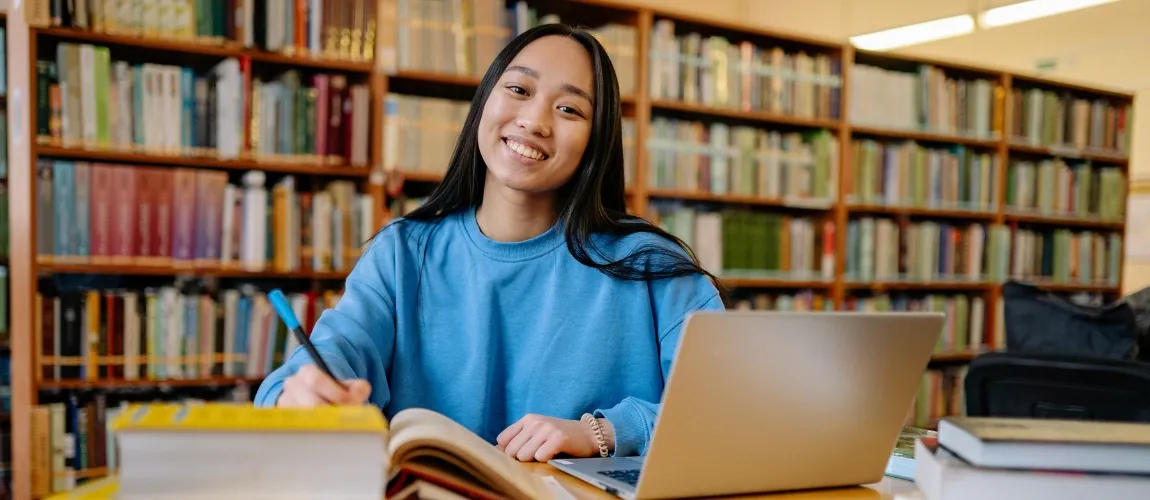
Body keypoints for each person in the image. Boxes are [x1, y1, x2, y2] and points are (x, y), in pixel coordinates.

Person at [254, 23, 725, 463]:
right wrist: (300, 391)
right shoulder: (401, 254)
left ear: (596, 140)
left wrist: (600, 433)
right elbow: (338, 349)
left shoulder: (653, 267)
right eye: (518, 90)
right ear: (484, 102)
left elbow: (726, 413)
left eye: (569, 109)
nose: (535, 121)